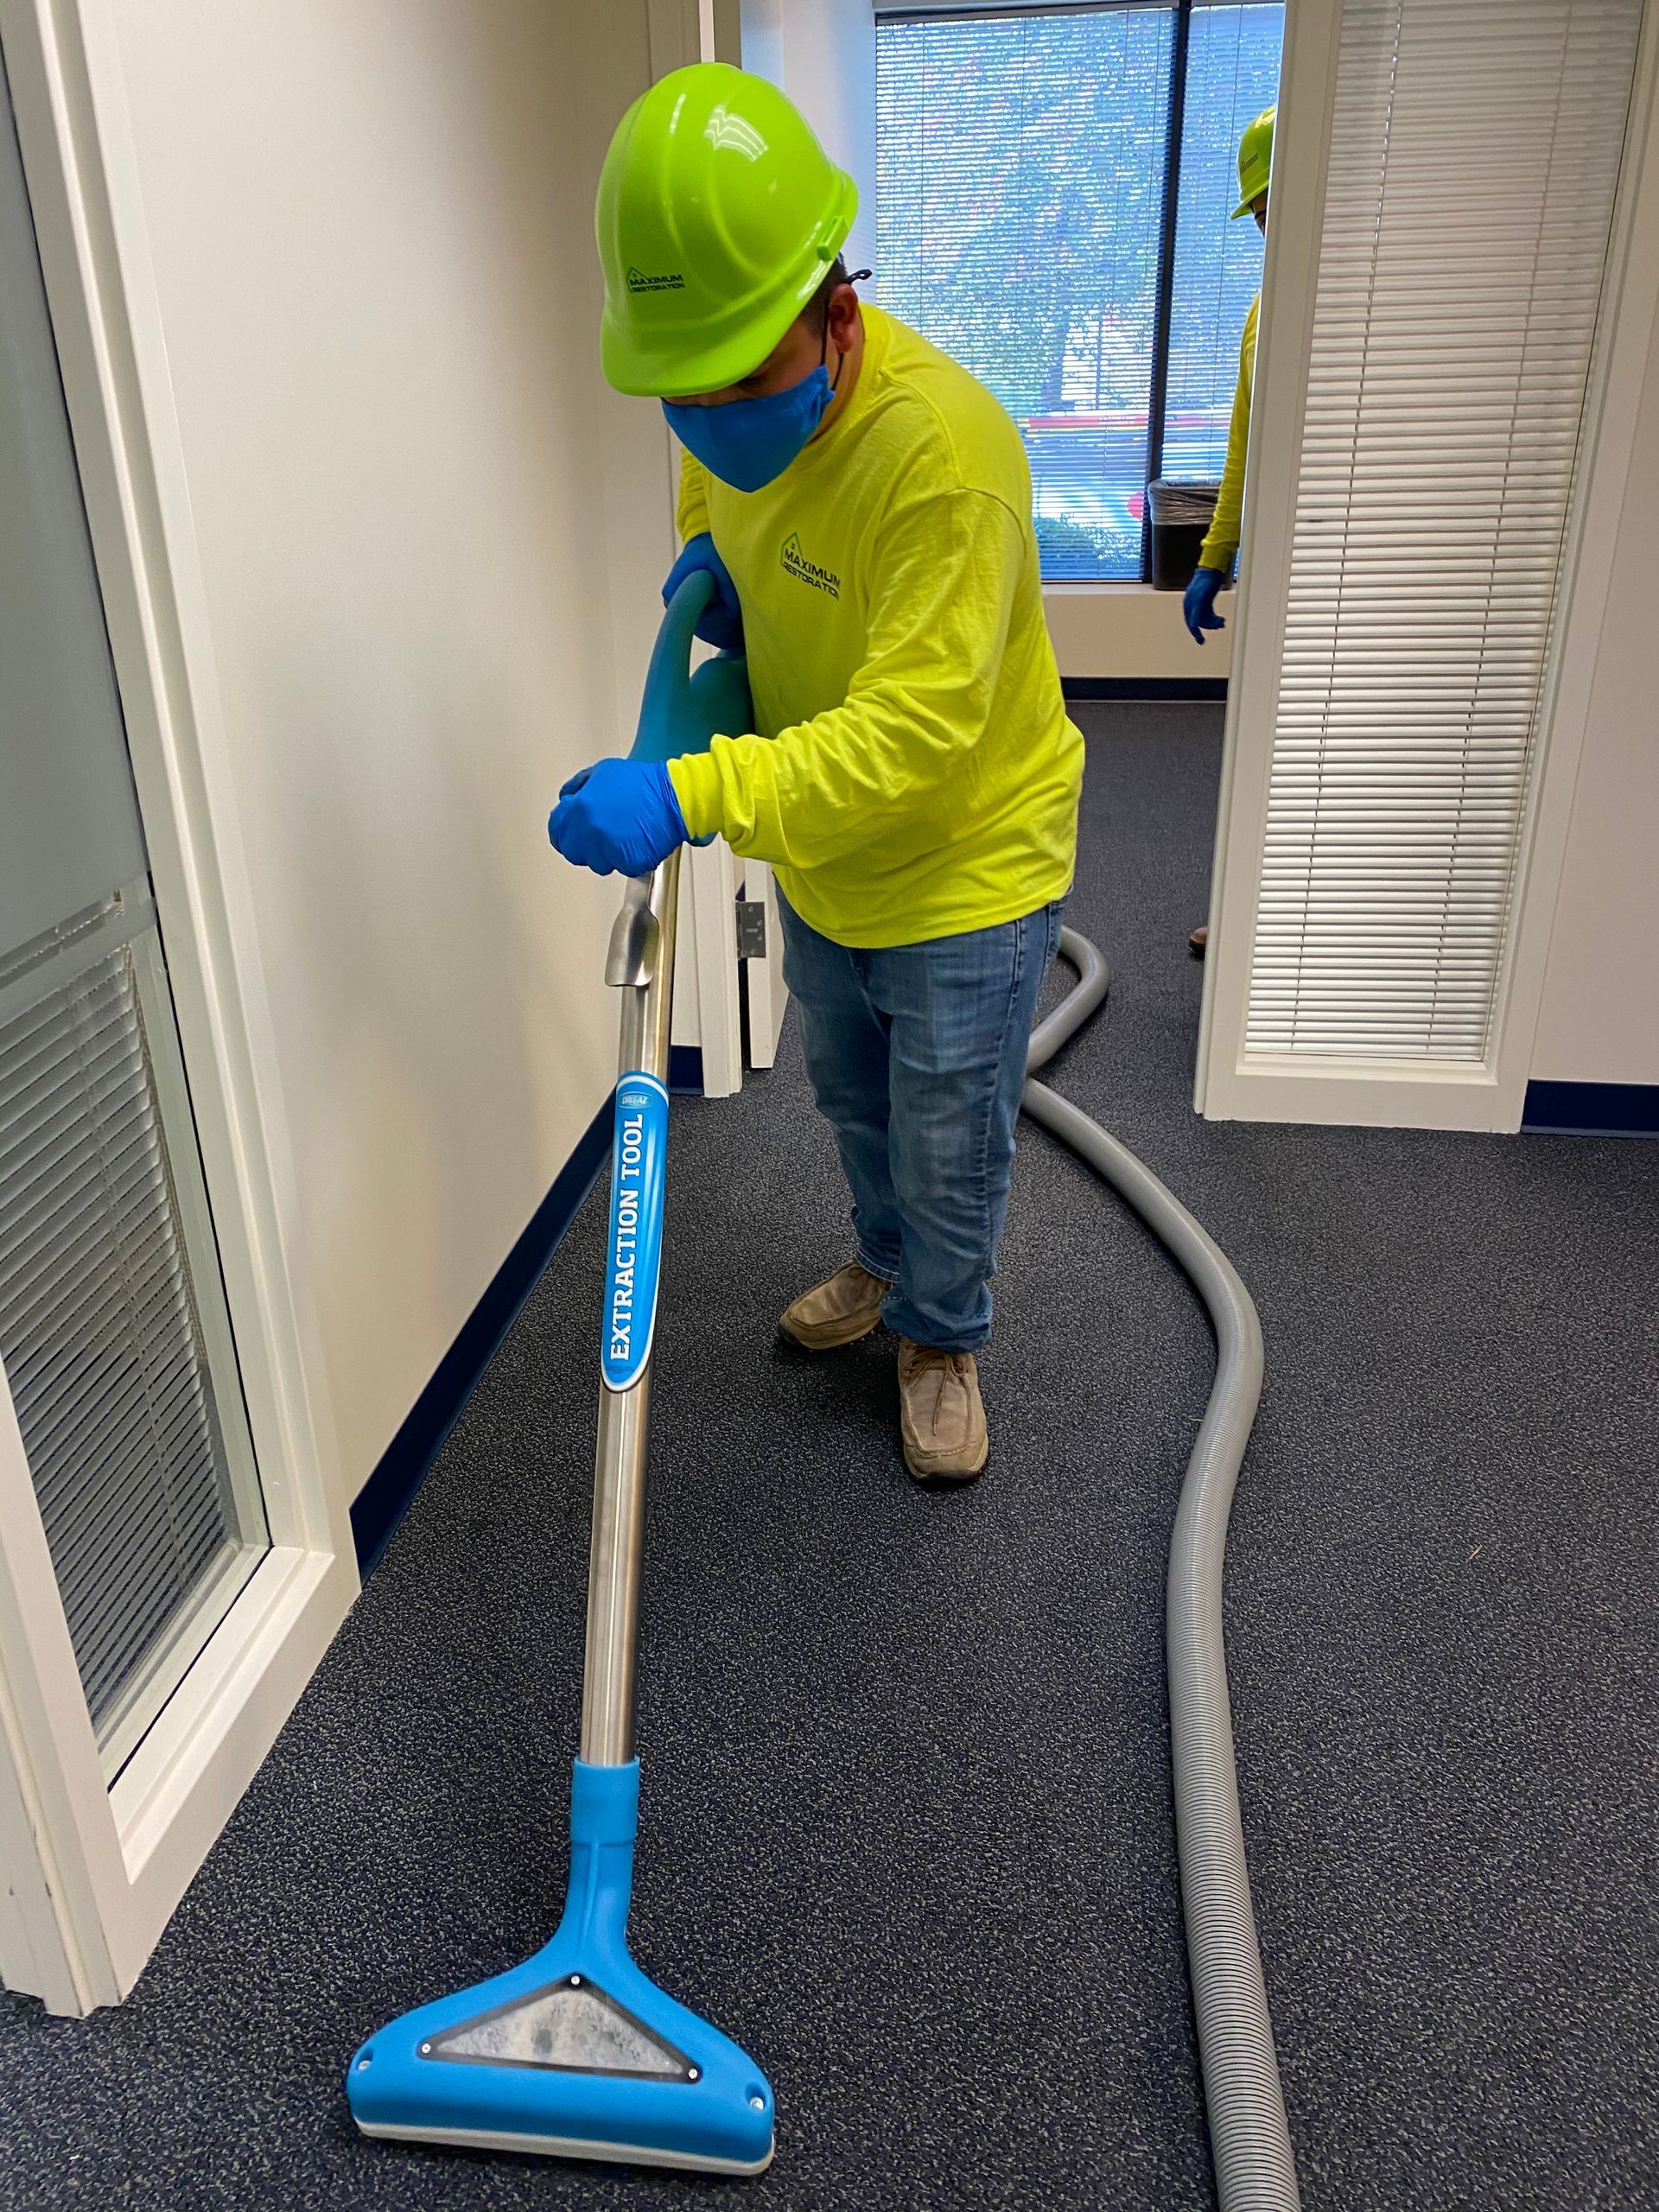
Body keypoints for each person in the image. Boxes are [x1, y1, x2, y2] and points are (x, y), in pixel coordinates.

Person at [550, 64, 1083, 1484]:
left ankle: (942, 1338)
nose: (709, 418)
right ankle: (882, 1262)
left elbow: (911, 742)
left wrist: (690, 794)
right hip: (829, 856)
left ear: (834, 311)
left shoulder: (945, 462)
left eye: (740, 383)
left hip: (966, 860)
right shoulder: (717, 403)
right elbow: (719, 505)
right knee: (853, 1101)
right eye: (682, 391)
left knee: (948, 1128)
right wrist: (711, 578)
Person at [1184, 104, 1274, 957]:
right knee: (1259, 745)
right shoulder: (1261, 313)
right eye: (1261, 212)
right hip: (1280, 569)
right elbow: (1244, 444)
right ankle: (1249, 913)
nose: (1268, 227)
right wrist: (1215, 556)